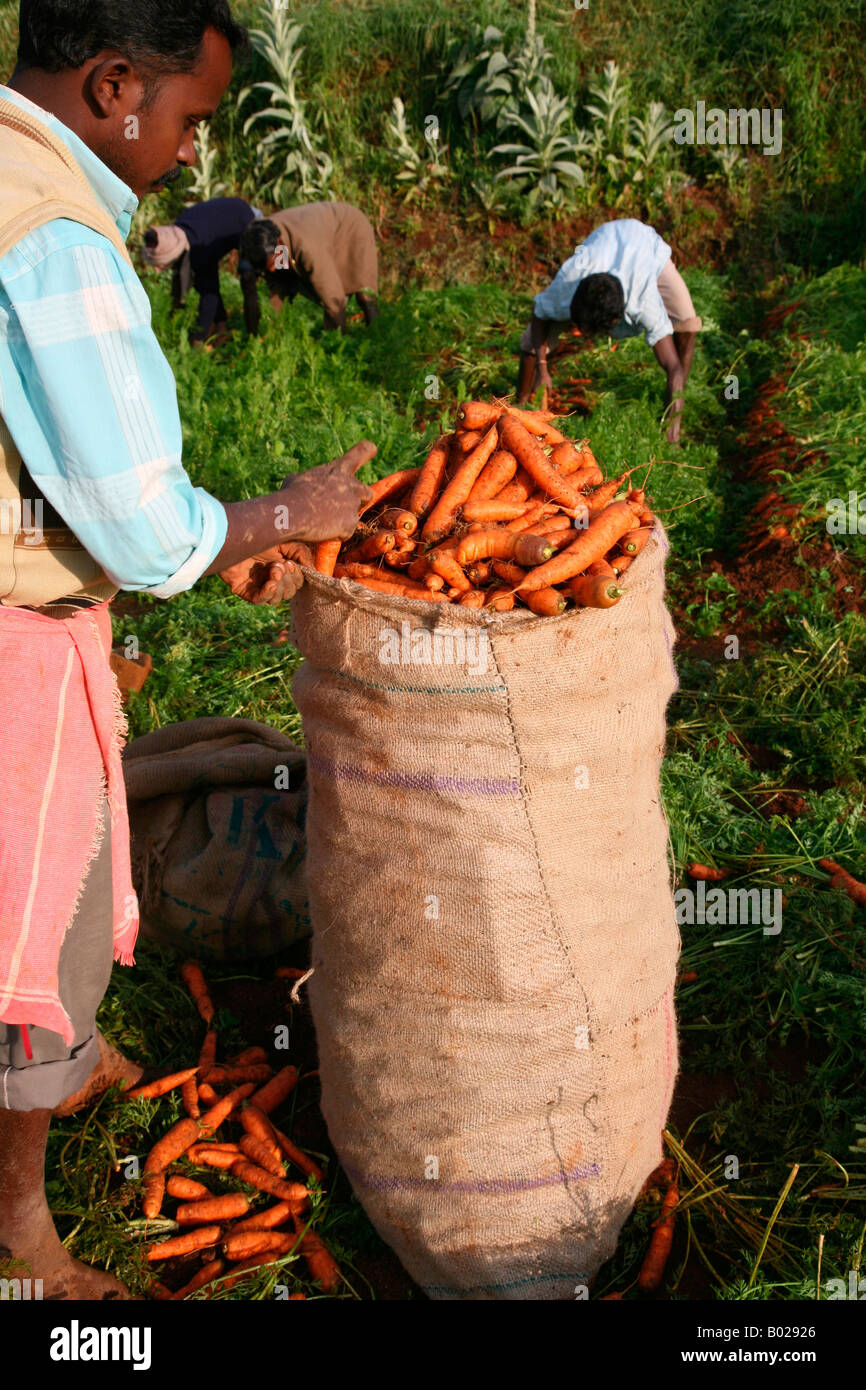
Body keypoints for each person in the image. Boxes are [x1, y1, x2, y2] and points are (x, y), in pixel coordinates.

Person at [0, 0, 374, 1300]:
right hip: (13, 644)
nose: (193, 150)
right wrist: (281, 515)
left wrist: (202, 539)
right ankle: (25, 1235)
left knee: (73, 861)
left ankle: (74, 1054)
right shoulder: (53, 237)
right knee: (34, 918)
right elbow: (138, 523)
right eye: (191, 117)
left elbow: (63, 480)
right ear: (115, 85)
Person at [518, 218, 702, 443]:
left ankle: (673, 420)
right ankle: (518, 407)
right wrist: (542, 368)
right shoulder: (570, 280)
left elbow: (673, 366)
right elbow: (539, 314)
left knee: (688, 325)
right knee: (530, 343)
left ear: (615, 321)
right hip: (606, 239)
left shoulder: (644, 301)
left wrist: (671, 441)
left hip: (646, 247)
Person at [239, 203, 379, 334]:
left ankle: (378, 336)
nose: (272, 270)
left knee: (365, 295)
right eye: (266, 267)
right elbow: (279, 288)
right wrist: (270, 330)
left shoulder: (306, 247)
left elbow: (332, 298)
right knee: (281, 281)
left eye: (272, 264)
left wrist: (335, 344)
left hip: (351, 228)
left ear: (279, 243)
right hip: (318, 233)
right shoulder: (261, 241)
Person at [142, 195, 261, 344]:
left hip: (248, 221)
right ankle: (222, 329)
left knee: (247, 277)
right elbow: (197, 282)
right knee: (203, 281)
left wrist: (198, 339)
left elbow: (209, 295)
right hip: (231, 216)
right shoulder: (178, 232)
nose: (160, 269)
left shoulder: (199, 247)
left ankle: (253, 338)